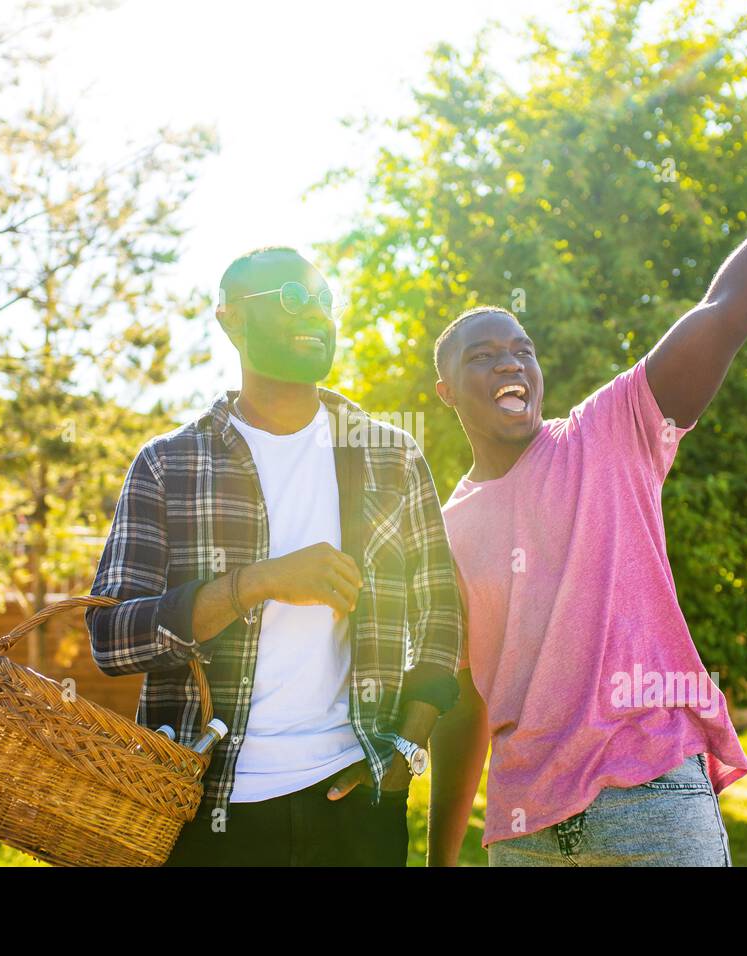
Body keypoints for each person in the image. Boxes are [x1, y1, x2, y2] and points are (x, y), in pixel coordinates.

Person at [427, 14, 747, 866]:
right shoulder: (449, 525)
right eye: (485, 356)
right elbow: (467, 704)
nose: (512, 363)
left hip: (650, 809)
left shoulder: (608, 434)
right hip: (525, 833)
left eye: (523, 348)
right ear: (446, 393)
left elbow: (729, 304)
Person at [86, 245, 464, 866]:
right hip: (204, 808)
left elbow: (441, 616)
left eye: (324, 300)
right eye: (292, 297)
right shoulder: (169, 464)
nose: (315, 313)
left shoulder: (390, 457)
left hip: (356, 803)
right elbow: (111, 638)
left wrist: (406, 750)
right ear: (230, 319)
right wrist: (255, 583)